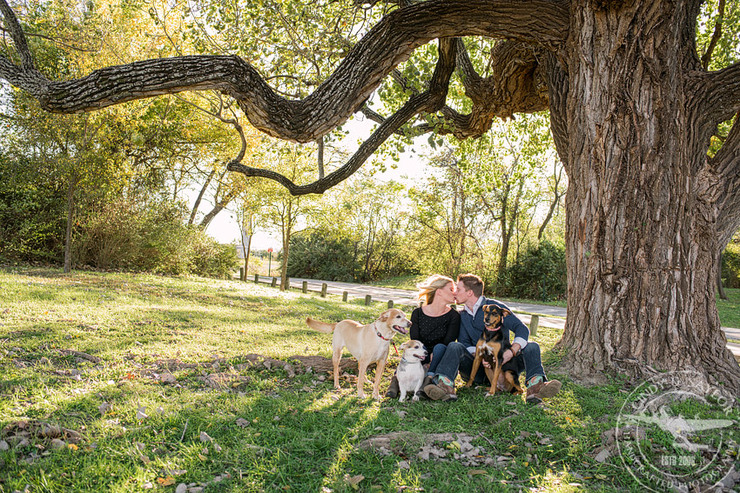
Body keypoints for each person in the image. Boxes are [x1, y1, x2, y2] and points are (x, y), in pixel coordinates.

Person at [423, 273, 561, 403]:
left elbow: (522, 329)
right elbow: (464, 342)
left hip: (504, 366)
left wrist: (511, 352)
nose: (454, 293)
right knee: (455, 346)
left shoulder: (496, 308)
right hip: (477, 368)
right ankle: (445, 386)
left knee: (532, 346)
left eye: (458, 289)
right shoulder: (462, 315)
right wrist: (482, 357)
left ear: (469, 293)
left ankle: (535, 387)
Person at [385, 274, 460, 399]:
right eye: (451, 289)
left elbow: (449, 341)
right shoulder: (418, 313)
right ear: (439, 292)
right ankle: (394, 383)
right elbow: (415, 339)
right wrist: (422, 354)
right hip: (420, 353)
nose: (455, 293)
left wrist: (433, 357)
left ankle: (427, 383)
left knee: (440, 347)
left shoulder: (454, 316)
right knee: (409, 356)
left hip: (440, 356)